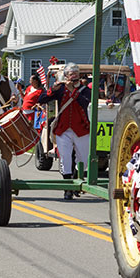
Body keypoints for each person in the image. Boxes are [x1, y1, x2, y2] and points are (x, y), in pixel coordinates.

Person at [38, 62, 91, 199]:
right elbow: (42, 99)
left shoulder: (85, 90)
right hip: (63, 129)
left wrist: (73, 91)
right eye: (71, 74)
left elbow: (85, 102)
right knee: (65, 158)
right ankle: (67, 188)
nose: (74, 76)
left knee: (83, 160)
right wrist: (52, 89)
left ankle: (75, 180)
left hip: (81, 129)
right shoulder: (61, 89)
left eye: (76, 73)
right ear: (66, 76)